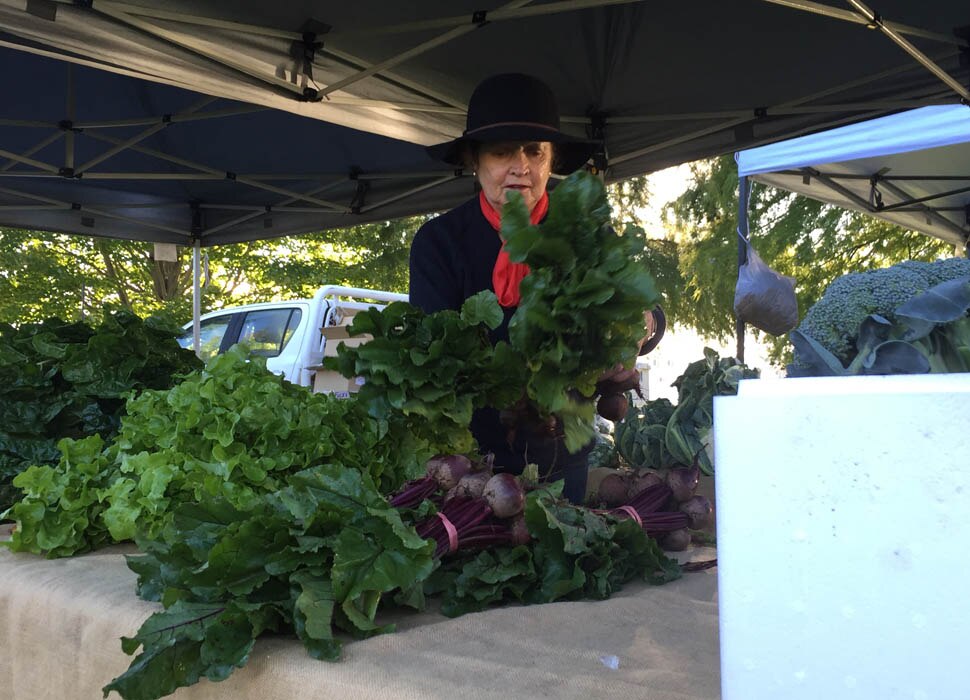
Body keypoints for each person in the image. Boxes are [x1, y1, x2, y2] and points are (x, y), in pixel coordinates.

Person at [410, 73, 662, 504]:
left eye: (534, 151)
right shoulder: (439, 243)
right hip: (470, 464)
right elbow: (437, 359)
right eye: (502, 151)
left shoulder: (583, 227)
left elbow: (651, 310)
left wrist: (641, 326)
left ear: (552, 160)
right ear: (475, 160)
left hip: (565, 453)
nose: (520, 166)